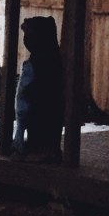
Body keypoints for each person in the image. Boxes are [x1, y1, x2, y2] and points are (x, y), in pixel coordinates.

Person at [12, 15, 64, 161]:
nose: (26, 39)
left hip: (44, 106)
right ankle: (39, 147)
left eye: (28, 35)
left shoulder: (46, 59)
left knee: (43, 123)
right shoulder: (45, 57)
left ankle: (44, 150)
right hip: (38, 105)